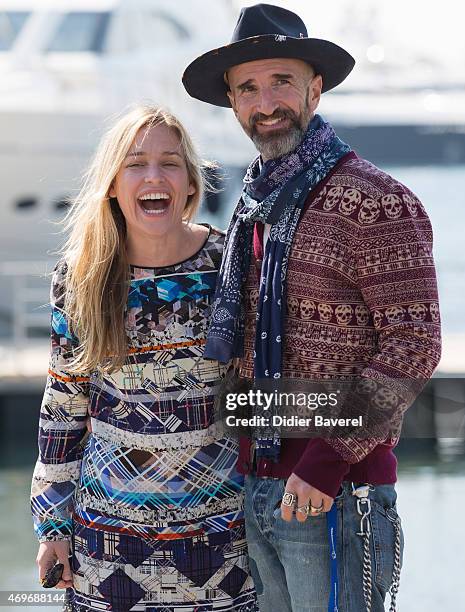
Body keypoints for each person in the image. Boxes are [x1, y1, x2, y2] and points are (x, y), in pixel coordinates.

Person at [182, 4, 442, 612]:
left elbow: (414, 347)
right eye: (248, 87)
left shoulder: (374, 202)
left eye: (281, 82)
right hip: (257, 483)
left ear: (315, 90)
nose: (266, 101)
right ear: (233, 102)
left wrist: (323, 466)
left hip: (337, 492)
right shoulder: (254, 206)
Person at [30, 105, 258, 611]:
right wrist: (52, 525)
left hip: (222, 547)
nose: (154, 176)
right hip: (107, 552)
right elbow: (63, 407)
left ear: (192, 184)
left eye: (170, 163)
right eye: (135, 164)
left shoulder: (230, 266)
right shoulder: (82, 277)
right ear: (113, 184)